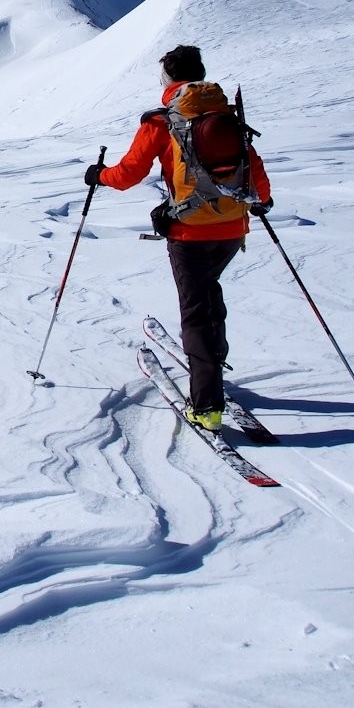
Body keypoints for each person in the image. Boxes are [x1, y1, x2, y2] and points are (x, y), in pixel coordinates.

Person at [84, 45, 272, 432]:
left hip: (190, 232)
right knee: (208, 294)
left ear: (169, 80)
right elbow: (252, 164)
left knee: (196, 311)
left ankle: (206, 406)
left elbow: (128, 175)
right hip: (234, 227)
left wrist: (97, 175)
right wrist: (262, 202)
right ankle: (213, 368)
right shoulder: (225, 114)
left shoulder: (162, 121)